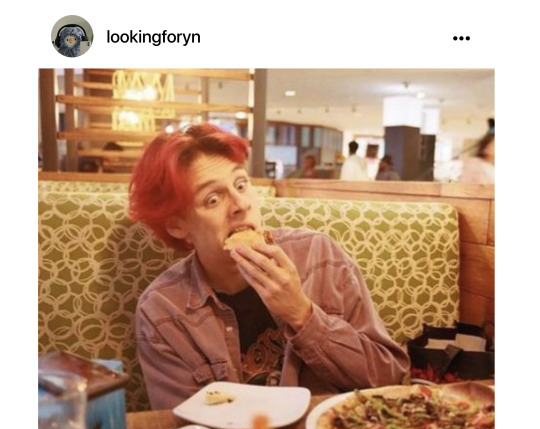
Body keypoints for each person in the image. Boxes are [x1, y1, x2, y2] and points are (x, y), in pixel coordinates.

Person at [130, 125, 409, 409]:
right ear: (177, 226)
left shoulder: (318, 256)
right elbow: (183, 423)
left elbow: (389, 377)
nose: (240, 204)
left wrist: (302, 314)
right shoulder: (164, 311)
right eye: (212, 199)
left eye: (241, 185)